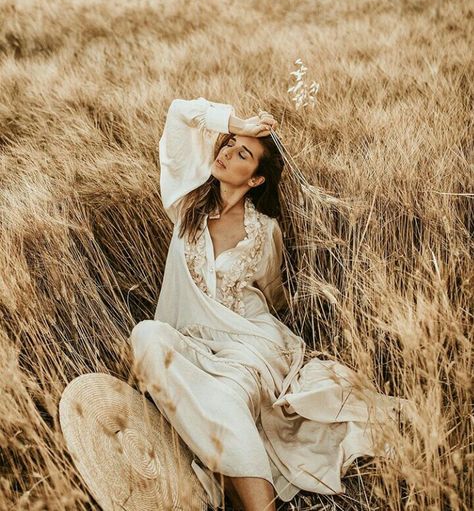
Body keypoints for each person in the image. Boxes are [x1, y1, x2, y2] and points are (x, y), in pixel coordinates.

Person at [129, 97, 406, 511]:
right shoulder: (186, 203)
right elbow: (177, 113)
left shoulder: (266, 232)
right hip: (188, 341)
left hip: (249, 344)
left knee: (229, 396)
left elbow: (271, 296)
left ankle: (261, 506)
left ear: (256, 180)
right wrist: (239, 121)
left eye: (243, 153)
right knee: (145, 336)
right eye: (227, 144)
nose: (225, 152)